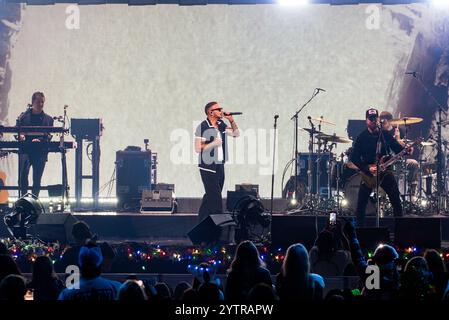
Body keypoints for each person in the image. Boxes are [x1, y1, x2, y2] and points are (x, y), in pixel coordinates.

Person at [350, 108, 408, 226]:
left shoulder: (385, 134)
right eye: (370, 119)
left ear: (378, 119)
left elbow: (397, 149)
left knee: (396, 201)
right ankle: (360, 233)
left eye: (374, 118)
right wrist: (367, 168)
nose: (373, 121)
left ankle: (400, 232)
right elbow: (354, 158)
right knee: (361, 205)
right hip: (369, 174)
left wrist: (406, 150)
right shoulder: (362, 137)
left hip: (385, 171)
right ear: (366, 120)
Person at [194, 102, 240, 222]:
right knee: (216, 202)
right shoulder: (203, 126)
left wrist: (231, 120)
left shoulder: (221, 124)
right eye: (218, 109)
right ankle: (217, 233)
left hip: (219, 166)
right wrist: (213, 143)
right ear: (211, 112)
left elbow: (236, 134)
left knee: (209, 198)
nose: (221, 111)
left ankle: (199, 231)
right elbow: (198, 148)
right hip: (208, 167)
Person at [16, 92, 54, 197]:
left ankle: (34, 201)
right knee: (23, 177)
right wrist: (21, 136)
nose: (41, 104)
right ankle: (23, 199)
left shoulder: (49, 119)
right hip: (26, 150)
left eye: (42, 102)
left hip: (40, 151)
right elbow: (18, 132)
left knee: (37, 179)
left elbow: (49, 136)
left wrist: (41, 140)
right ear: (32, 102)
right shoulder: (23, 117)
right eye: (38, 102)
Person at [379, 111, 420, 197]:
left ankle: (412, 193)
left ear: (390, 121)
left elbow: (409, 150)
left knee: (414, 163)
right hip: (385, 162)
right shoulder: (380, 132)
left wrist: (398, 139)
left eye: (384, 121)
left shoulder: (398, 130)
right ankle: (382, 197)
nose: (382, 123)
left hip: (399, 160)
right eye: (380, 120)